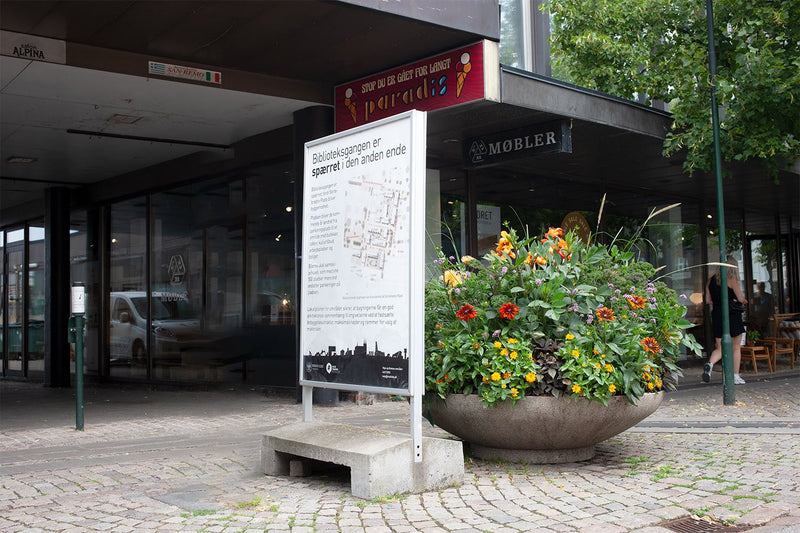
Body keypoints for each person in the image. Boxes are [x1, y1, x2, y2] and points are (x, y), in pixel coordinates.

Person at [702, 262, 748, 384]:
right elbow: (740, 298)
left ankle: (710, 364)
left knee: (720, 348)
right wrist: (744, 301)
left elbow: (707, 300)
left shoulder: (710, 281)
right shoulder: (731, 279)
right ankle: (735, 376)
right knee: (735, 347)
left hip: (717, 315)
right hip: (732, 315)